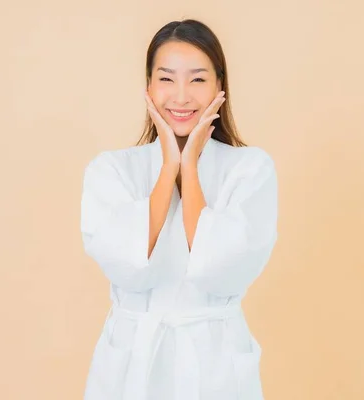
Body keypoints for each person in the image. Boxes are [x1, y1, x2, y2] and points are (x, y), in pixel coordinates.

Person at [80, 18, 278, 400]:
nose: (182, 96)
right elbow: (125, 261)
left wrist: (189, 168)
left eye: (198, 80)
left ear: (221, 86)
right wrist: (169, 163)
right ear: (149, 87)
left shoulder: (250, 169)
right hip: (130, 366)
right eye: (167, 79)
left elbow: (219, 267)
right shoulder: (112, 169)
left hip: (213, 365)